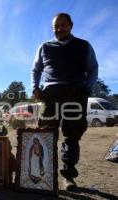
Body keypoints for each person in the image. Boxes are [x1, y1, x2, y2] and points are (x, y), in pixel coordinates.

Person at [31, 13, 98, 190]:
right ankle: (45, 175)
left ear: (71, 25)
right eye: (56, 26)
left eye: (63, 25)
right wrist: (35, 88)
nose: (60, 28)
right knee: (46, 134)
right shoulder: (45, 46)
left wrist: (87, 89)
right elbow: (36, 70)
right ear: (53, 28)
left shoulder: (83, 46)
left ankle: (68, 177)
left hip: (75, 93)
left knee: (72, 136)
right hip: (50, 94)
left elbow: (93, 69)